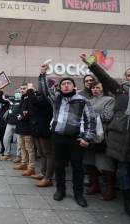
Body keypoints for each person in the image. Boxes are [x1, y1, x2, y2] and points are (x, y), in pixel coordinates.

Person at [81, 53, 130, 217]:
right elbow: (103, 76)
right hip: (120, 137)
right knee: (123, 170)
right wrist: (91, 62)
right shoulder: (120, 89)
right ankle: (128, 202)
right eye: (129, 75)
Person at [38, 63, 96, 208]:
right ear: (60, 87)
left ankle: (78, 194)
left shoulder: (83, 100)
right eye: (63, 84)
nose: (65, 86)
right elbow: (45, 90)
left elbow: (91, 121)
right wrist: (42, 74)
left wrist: (86, 138)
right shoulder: (56, 98)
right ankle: (60, 190)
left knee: (77, 168)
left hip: (75, 139)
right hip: (57, 137)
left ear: (74, 86)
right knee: (59, 165)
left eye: (69, 83)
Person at [83, 81, 116, 201]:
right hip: (88, 135)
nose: (95, 90)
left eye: (97, 87)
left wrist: (90, 117)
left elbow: (107, 116)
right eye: (93, 88)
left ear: (102, 89)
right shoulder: (88, 101)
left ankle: (110, 189)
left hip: (102, 136)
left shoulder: (109, 99)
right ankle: (94, 185)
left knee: (105, 164)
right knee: (89, 161)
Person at [25, 82, 54, 187]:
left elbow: (34, 102)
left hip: (45, 130)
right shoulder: (40, 97)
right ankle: (43, 172)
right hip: (38, 129)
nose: (38, 89)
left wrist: (30, 89)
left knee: (48, 153)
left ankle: (48, 177)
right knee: (41, 153)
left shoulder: (49, 98)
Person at [13, 84, 38, 177]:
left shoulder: (30, 99)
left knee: (30, 149)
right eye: (21, 89)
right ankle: (24, 163)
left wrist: (22, 116)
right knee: (22, 147)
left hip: (28, 129)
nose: (22, 90)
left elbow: (31, 113)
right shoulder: (22, 99)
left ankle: (31, 168)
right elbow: (21, 112)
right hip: (20, 128)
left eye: (24, 89)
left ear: (28, 89)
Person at [0, 90, 11, 156]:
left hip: (5, 124)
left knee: (4, 138)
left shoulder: (7, 102)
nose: (2, 98)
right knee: (1, 137)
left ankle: (5, 150)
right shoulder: (5, 103)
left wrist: (1, 91)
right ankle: (3, 149)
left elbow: (0, 99)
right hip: (2, 124)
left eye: (3, 97)